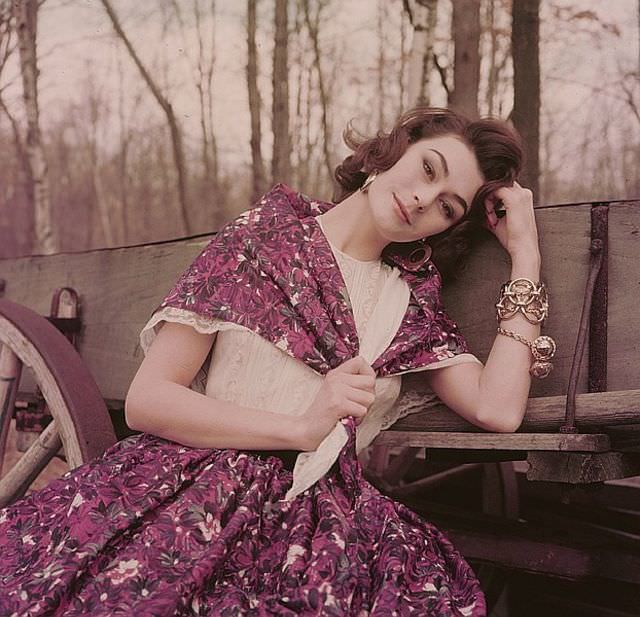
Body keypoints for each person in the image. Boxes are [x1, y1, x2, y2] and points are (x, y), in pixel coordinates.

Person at [0, 106, 551, 616]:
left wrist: (524, 253)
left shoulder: (410, 304)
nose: (424, 200)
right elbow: (149, 399)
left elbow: (498, 409)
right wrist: (300, 427)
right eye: (428, 169)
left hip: (322, 519)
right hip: (197, 486)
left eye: (448, 207)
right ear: (395, 150)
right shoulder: (261, 242)